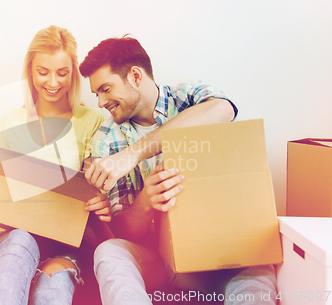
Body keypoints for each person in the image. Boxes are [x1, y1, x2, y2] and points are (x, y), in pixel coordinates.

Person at [79, 36, 277, 304]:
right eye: (96, 94)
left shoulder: (188, 97)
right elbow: (123, 231)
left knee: (259, 264)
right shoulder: (106, 139)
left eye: (105, 88)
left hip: (224, 253)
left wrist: (132, 154)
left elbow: (224, 109)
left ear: (135, 76)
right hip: (159, 262)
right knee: (109, 252)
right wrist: (147, 200)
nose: (101, 102)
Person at [0, 25, 109, 305]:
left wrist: (101, 199)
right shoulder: (11, 121)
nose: (53, 82)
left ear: (73, 73)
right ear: (29, 71)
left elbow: (96, 192)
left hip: (67, 242)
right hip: (13, 238)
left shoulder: (92, 122)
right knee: (20, 242)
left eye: (62, 73)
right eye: (43, 72)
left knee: (55, 283)